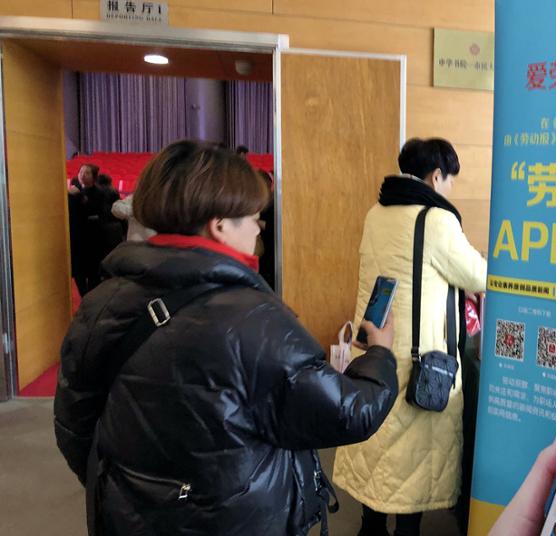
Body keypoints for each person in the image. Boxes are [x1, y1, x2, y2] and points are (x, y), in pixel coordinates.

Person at [54, 140, 400, 536]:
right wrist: (379, 354)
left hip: (127, 518)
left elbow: (75, 424)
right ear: (219, 225)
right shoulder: (257, 321)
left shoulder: (101, 301)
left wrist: (132, 494)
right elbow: (349, 413)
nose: (258, 227)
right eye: (253, 217)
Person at [333, 138, 487, 536]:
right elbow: (478, 275)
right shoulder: (436, 220)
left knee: (377, 445)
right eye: (450, 180)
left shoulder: (376, 213)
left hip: (375, 351)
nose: (450, 188)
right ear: (436, 176)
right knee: (412, 460)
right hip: (419, 363)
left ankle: (369, 528)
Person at [68, 163, 107, 295]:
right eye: (81, 172)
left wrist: (78, 196)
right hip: (76, 237)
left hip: (92, 238)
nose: (82, 175)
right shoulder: (74, 191)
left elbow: (93, 212)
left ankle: (91, 297)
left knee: (92, 273)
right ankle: (84, 296)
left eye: (87, 173)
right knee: (77, 272)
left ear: (94, 177)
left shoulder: (99, 193)